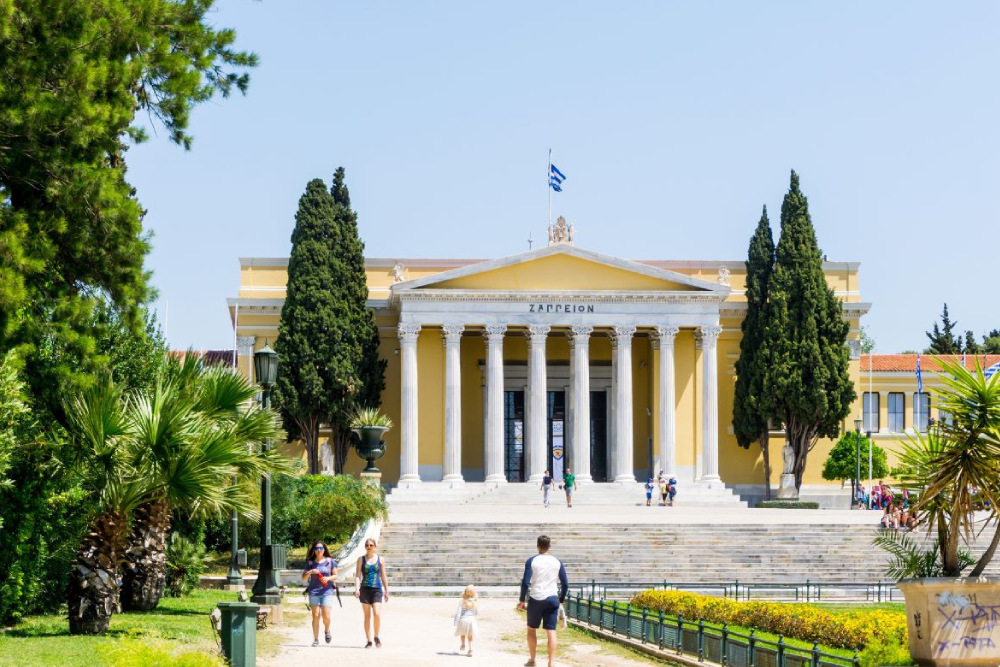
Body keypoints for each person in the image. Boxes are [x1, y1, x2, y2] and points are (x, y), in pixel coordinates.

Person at [517, 535, 569, 667]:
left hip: (536, 598)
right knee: (551, 631)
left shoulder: (532, 561)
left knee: (531, 629)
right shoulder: (557, 562)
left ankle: (533, 659)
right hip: (552, 598)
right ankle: (551, 662)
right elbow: (565, 584)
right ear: (549, 546)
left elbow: (525, 582)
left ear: (537, 546)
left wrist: (522, 600)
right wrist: (561, 599)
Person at [302, 541, 338, 647]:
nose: (319, 550)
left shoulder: (330, 561)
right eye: (317, 548)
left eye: (321, 548)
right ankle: (316, 639)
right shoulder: (310, 563)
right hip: (314, 591)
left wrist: (328, 578)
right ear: (314, 550)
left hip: (327, 591)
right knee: (316, 615)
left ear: (324, 549)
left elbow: (336, 575)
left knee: (326, 616)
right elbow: (303, 578)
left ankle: (327, 631)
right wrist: (308, 573)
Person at [354, 538, 389, 648]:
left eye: (371, 545)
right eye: (367, 545)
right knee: (367, 615)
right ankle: (369, 640)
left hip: (377, 589)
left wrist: (387, 591)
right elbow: (358, 576)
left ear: (375, 546)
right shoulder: (361, 559)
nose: (369, 547)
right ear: (365, 547)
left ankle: (376, 636)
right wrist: (357, 588)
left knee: (377, 614)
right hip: (364, 589)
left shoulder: (380, 559)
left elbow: (383, 576)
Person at [454, 584, 479, 657]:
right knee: (470, 635)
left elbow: (458, 612)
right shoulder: (473, 603)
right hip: (471, 620)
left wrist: (456, 621)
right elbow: (476, 612)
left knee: (462, 633)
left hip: (463, 619)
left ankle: (463, 644)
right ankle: (470, 650)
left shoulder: (462, 602)